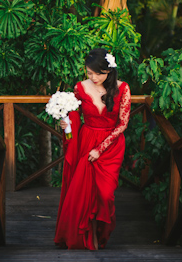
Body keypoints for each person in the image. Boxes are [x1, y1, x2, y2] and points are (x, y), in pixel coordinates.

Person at [54, 48, 131, 250]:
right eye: (89, 72)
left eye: (98, 73)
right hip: (86, 142)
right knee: (85, 192)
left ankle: (101, 235)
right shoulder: (80, 88)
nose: (93, 77)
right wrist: (67, 128)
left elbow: (122, 124)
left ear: (109, 71)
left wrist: (100, 149)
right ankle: (89, 239)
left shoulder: (123, 89)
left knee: (105, 194)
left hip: (110, 146)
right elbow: (73, 116)